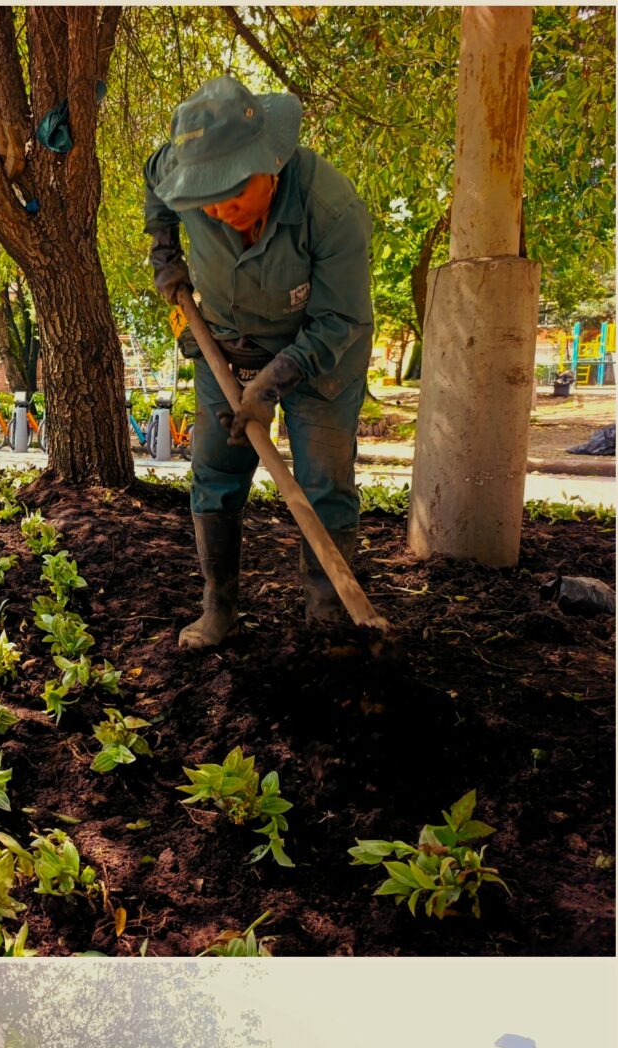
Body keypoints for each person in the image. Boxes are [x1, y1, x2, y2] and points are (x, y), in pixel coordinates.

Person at [144, 75, 376, 650]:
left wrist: (272, 384)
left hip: (322, 352)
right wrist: (165, 254)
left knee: (323, 482)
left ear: (269, 164)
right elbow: (155, 178)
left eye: (232, 194)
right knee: (215, 474)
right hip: (226, 344)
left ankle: (329, 622)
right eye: (205, 198)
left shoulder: (332, 208)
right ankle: (219, 609)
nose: (218, 211)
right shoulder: (185, 176)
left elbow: (340, 319)